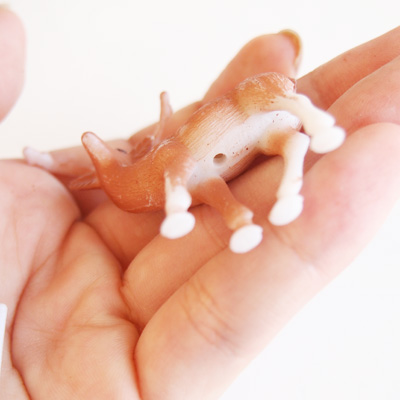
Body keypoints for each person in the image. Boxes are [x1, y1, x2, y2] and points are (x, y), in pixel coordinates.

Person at [1, 7, 399, 399]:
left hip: (251, 113)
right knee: (252, 172)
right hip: (250, 143)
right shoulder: (144, 176)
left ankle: (308, 117)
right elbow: (203, 187)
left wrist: (174, 202)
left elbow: (173, 161)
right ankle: (250, 213)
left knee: (240, 137)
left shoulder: (166, 154)